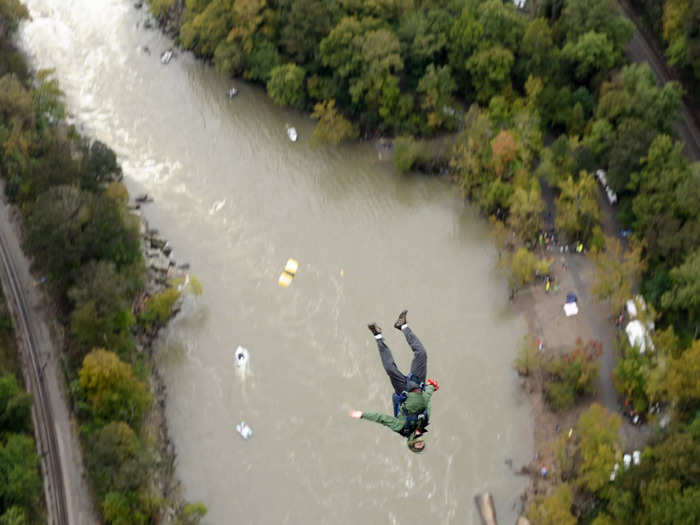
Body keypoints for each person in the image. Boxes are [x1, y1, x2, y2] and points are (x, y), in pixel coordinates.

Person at [349, 310, 439, 453]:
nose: (420, 441)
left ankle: (378, 335)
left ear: (411, 442)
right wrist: (431, 388)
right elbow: (426, 402)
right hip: (418, 385)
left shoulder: (402, 427)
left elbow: (382, 418)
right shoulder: (424, 421)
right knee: (422, 353)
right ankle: (402, 325)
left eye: (418, 444)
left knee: (390, 368)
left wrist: (362, 415)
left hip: (403, 389)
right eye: (422, 443)